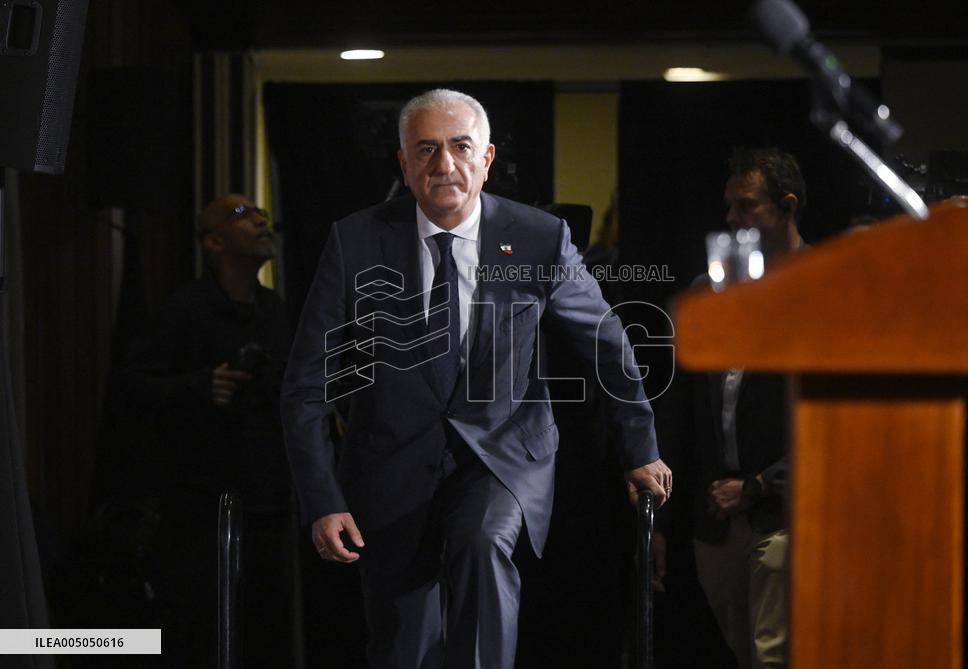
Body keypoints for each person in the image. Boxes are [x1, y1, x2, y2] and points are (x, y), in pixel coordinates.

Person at [281, 88, 672, 669]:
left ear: (486, 159)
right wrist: (321, 500)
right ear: (404, 164)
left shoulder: (538, 237)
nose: (445, 165)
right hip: (389, 464)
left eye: (461, 147)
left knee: (482, 543)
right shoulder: (355, 240)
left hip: (502, 455)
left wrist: (639, 449)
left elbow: (607, 344)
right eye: (427, 150)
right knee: (402, 647)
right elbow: (307, 384)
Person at [123, 194, 295, 667]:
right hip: (201, 507)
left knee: (263, 629)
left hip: (268, 502)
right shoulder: (185, 310)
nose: (260, 219)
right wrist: (201, 386)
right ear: (214, 242)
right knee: (201, 630)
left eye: (261, 212)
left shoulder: (275, 310)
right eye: (243, 215)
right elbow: (132, 389)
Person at [655, 148, 806, 669]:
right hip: (717, 519)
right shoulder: (709, 290)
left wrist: (761, 485)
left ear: (786, 207)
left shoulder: (821, 291)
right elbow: (678, 409)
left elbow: (830, 423)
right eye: (729, 207)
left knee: (774, 656)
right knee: (744, 654)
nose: (731, 220)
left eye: (746, 207)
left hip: (785, 512)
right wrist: (660, 521)